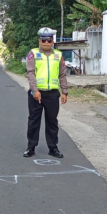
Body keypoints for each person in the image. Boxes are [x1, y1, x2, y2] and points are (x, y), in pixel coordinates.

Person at [23, 27, 68, 159]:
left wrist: (65, 91)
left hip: (52, 94)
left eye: (49, 40)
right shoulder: (33, 53)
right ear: (40, 40)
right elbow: (30, 73)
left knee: (52, 122)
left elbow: (63, 74)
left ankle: (53, 148)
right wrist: (35, 90)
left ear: (52, 41)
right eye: (44, 40)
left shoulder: (58, 55)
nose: (46, 42)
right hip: (36, 94)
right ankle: (31, 147)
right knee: (33, 121)